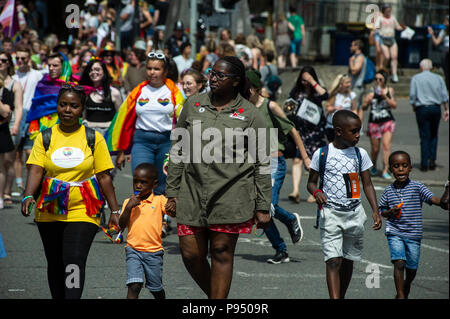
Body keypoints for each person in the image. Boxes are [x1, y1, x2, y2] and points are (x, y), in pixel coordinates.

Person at [164, 56, 272, 299]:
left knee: (222, 252)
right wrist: (171, 191)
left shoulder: (251, 114)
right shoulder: (192, 105)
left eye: (220, 75)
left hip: (231, 195)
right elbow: (179, 149)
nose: (213, 78)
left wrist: (263, 206)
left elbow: (262, 163)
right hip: (192, 192)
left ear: (236, 81)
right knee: (191, 254)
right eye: (212, 73)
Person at [20, 84, 121, 299]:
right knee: (56, 262)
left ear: (82, 109)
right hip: (49, 208)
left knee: (74, 260)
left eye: (73, 106)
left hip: (84, 209)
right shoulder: (44, 137)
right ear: (57, 106)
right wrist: (28, 195)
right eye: (63, 104)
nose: (67, 110)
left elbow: (104, 176)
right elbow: (36, 169)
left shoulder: (94, 138)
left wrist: (114, 210)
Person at [307, 109, 382, 299]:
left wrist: (375, 210)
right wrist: (316, 192)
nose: (358, 135)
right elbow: (311, 182)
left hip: (354, 214)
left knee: (348, 261)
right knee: (333, 261)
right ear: (339, 131)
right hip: (331, 214)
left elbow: (367, 184)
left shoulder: (360, 154)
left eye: (359, 131)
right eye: (354, 131)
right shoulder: (322, 154)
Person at [247, 69, 309, 264]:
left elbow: (293, 131)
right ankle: (281, 250)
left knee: (269, 206)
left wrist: (305, 158)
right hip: (253, 165)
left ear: (256, 89)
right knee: (260, 211)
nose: (244, 93)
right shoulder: (241, 110)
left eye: (247, 89)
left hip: (273, 162)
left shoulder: (270, 106)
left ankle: (290, 218)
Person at [107, 50, 184, 197]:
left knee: (162, 186)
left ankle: (162, 219)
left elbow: (184, 117)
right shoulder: (139, 91)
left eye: (157, 69)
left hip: (167, 142)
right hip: (142, 142)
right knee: (141, 184)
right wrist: (122, 150)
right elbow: (124, 121)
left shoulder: (175, 91)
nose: (152, 72)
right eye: (149, 68)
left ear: (165, 71)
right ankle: (140, 218)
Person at [378, 151, 446, 299]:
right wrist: (390, 212)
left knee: (412, 268)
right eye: (396, 166)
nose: (401, 169)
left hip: (414, 234)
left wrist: (442, 202)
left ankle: (407, 284)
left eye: (404, 166)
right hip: (395, 232)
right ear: (390, 170)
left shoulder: (417, 187)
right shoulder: (388, 191)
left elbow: (432, 198)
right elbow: (381, 211)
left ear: (410, 168)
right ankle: (401, 295)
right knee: (399, 262)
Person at [118, 163, 167, 299]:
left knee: (155, 288)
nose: (138, 185)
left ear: (154, 184)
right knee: (134, 286)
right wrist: (128, 208)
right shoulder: (129, 201)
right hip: (133, 250)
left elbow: (173, 212)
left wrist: (174, 203)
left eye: (143, 182)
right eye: (136, 181)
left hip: (154, 252)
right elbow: (121, 225)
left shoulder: (159, 201)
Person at [288, 66, 328, 203]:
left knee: (314, 162)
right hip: (301, 132)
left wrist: (312, 81)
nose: (305, 82)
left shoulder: (316, 92)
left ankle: (313, 191)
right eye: (303, 79)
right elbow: (289, 106)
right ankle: (295, 190)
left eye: (307, 79)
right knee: (297, 159)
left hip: (316, 132)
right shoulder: (296, 92)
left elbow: (325, 95)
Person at [12, 45, 44, 193]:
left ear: (29, 59)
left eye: (23, 58)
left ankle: (32, 181)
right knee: (16, 152)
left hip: (32, 116)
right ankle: (19, 183)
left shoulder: (37, 74)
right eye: (17, 58)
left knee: (29, 152)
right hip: (16, 114)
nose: (20, 61)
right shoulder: (13, 76)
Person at [409, 59, 449, 171]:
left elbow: (412, 96)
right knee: (434, 134)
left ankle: (424, 162)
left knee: (424, 135)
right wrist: (446, 109)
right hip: (436, 108)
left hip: (422, 108)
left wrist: (414, 107)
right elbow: (444, 95)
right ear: (431, 68)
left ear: (421, 67)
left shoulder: (416, 78)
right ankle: (432, 160)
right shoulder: (439, 78)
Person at [362, 69, 397, 179]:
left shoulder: (389, 90)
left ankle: (386, 169)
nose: (378, 81)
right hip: (374, 123)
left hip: (387, 121)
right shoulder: (371, 90)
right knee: (375, 149)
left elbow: (394, 105)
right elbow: (364, 107)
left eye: (380, 79)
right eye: (376, 79)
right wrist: (367, 100)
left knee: (386, 146)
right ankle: (373, 165)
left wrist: (385, 96)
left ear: (384, 80)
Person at [0, 51, 23, 205]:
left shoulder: (15, 84)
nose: (0, 63)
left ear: (8, 63)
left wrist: (16, 125)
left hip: (9, 122)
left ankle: (6, 192)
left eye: (3, 60)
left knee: (8, 160)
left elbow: (18, 107)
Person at [374, 4, 405, 83]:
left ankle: (394, 74)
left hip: (391, 38)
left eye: (389, 11)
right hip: (383, 39)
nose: (388, 12)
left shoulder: (393, 18)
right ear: (384, 11)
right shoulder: (380, 18)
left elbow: (397, 27)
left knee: (394, 56)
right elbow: (376, 29)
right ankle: (383, 69)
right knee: (387, 56)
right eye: (387, 11)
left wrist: (403, 28)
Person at [325, 74, 357, 142]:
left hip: (346, 127)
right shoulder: (334, 94)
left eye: (349, 82)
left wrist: (355, 122)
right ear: (341, 84)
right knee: (333, 149)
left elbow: (354, 109)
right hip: (332, 127)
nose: (349, 84)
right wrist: (335, 108)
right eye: (347, 82)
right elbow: (328, 108)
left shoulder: (352, 95)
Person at [0, 73, 15, 209]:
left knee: (3, 165)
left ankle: (2, 196)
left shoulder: (7, 93)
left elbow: (6, 112)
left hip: (2, 132)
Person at [428, 16, 449, 90]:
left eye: (446, 22)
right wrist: (432, 34)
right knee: (446, 72)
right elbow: (436, 42)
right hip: (446, 52)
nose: (444, 23)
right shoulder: (444, 31)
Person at [348, 39, 367, 123]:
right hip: (357, 86)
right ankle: (358, 127)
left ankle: (355, 127)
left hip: (357, 86)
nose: (350, 47)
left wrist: (351, 62)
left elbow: (355, 71)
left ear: (357, 47)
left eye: (352, 45)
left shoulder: (359, 57)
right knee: (359, 107)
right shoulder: (357, 57)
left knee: (355, 107)